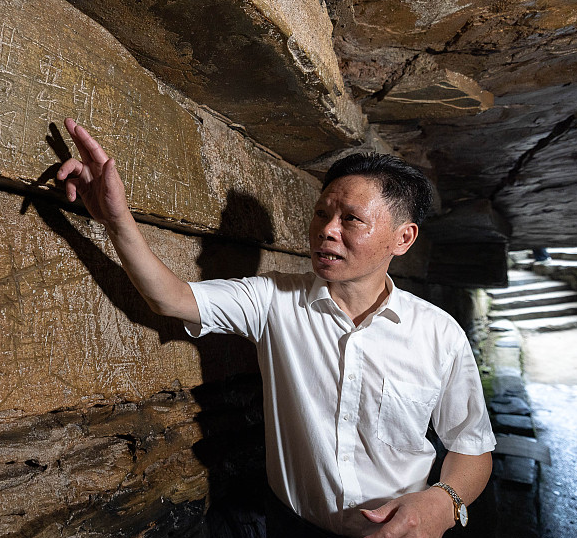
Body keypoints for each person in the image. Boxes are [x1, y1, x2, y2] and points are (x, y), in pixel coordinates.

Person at [56, 118, 495, 538]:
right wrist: (116, 218)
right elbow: (169, 297)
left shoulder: (440, 335)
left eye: (351, 220)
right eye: (322, 214)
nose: (327, 231)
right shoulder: (273, 300)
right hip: (291, 527)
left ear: (403, 239)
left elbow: (472, 447)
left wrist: (443, 502)